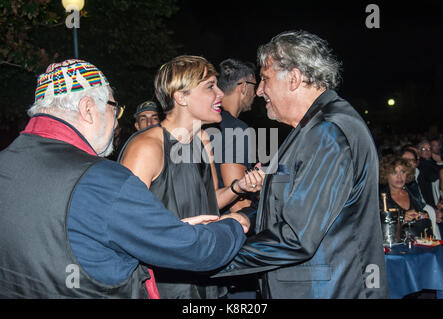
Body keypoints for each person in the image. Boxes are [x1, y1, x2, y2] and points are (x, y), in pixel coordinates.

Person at [0, 59, 250, 298]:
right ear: (88, 109)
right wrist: (234, 226)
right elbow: (188, 248)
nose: (116, 120)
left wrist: (167, 228)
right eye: (114, 108)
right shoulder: (102, 179)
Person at [214, 30, 389, 298]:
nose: (259, 91)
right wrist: (243, 219)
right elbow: (292, 210)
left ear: (294, 78)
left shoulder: (328, 132)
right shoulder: (311, 128)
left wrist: (210, 257)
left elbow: (296, 237)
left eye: (265, 79)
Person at [119, 55, 265, 299]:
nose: (220, 93)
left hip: (204, 278)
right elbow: (125, 225)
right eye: (210, 86)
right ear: (181, 96)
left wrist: (239, 187)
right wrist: (178, 231)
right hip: (165, 285)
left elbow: (210, 203)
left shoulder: (203, 140)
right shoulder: (147, 146)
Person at [212, 59, 259, 298]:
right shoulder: (234, 127)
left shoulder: (210, 123)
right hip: (232, 238)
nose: (258, 92)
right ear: (243, 87)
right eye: (255, 85)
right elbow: (238, 197)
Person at [379, 155, 432, 239]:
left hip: (420, 243)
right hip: (394, 246)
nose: (399, 177)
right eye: (394, 172)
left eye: (403, 172)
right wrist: (401, 220)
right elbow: (377, 230)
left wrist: (423, 216)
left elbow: (423, 219)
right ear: (386, 175)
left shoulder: (413, 193)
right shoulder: (381, 199)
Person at [417, 139, 443, 207]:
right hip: (429, 201)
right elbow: (433, 177)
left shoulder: (431, 162)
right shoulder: (421, 164)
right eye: (424, 149)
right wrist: (440, 163)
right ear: (419, 151)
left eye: (429, 149)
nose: (427, 151)